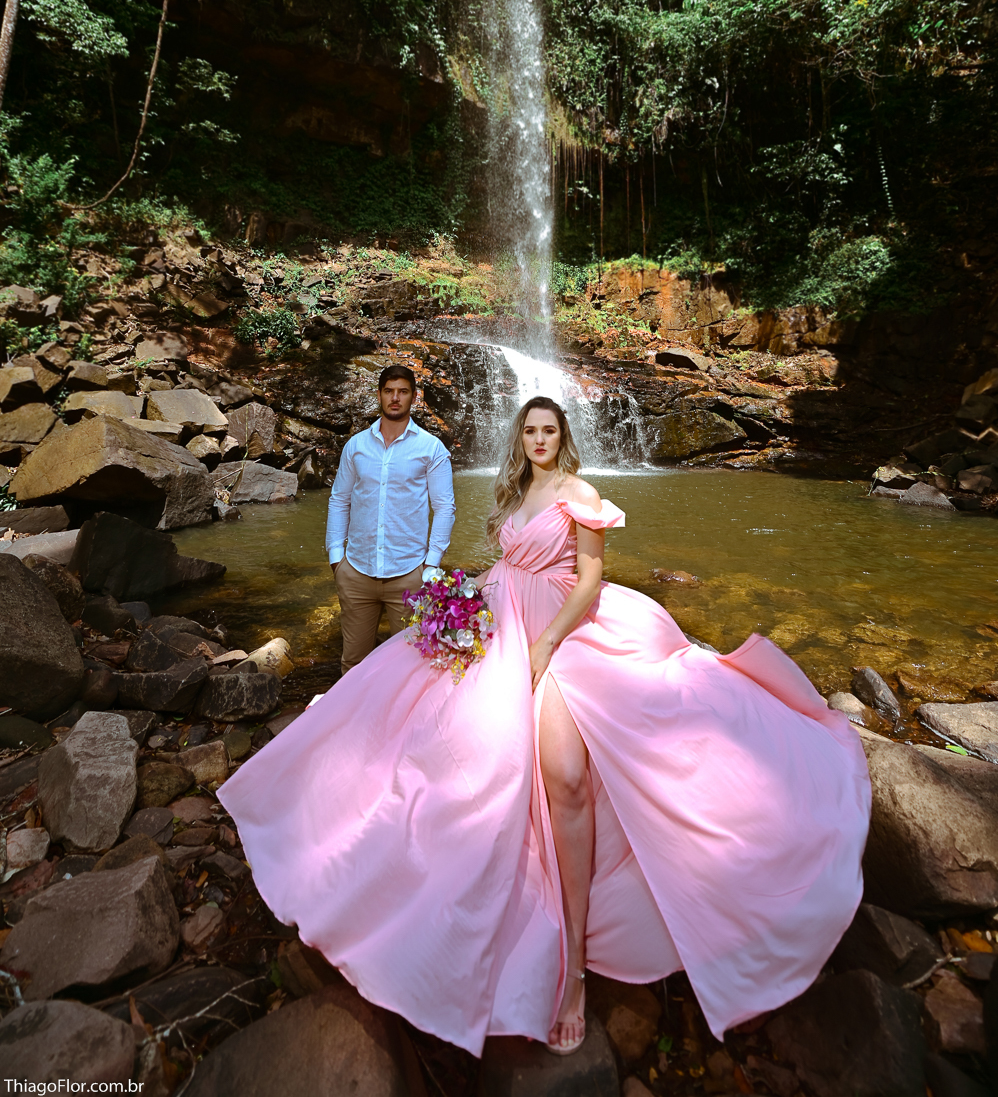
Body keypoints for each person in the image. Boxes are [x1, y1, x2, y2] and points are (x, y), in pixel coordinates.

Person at [219, 395, 871, 1059]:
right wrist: (460, 600)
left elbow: (590, 578)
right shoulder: (513, 491)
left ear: (562, 436)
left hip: (565, 632)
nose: (538, 439)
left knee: (564, 774)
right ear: (521, 437)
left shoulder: (578, 494)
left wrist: (547, 643)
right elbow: (508, 566)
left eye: (549, 430)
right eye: (529, 430)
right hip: (503, 620)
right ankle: (380, 875)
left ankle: (575, 967)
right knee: (430, 730)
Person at [325, 364, 456, 674]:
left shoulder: (431, 448)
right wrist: (336, 557)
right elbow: (339, 500)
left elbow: (444, 508)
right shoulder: (356, 446)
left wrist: (431, 565)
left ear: (414, 397)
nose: (395, 398)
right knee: (353, 664)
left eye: (403, 391)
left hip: (409, 574)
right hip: (357, 572)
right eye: (389, 391)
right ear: (379, 395)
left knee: (412, 667)